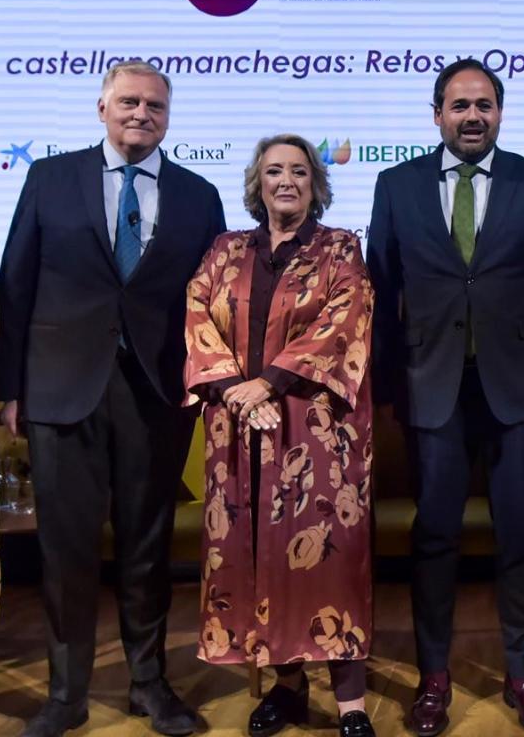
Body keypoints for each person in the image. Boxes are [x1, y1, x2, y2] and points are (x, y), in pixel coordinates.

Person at [0, 61, 227, 737]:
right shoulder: (49, 178)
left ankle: (149, 685)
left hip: (157, 392)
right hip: (60, 389)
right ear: (101, 107)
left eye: (155, 106)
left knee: (148, 544)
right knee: (66, 548)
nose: (141, 114)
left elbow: (211, 302)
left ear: (167, 117)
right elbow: (16, 285)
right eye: (128, 101)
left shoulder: (198, 195)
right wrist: (10, 387)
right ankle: (65, 693)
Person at [366, 60, 524, 736]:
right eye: (459, 106)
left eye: (484, 105)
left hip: (517, 391)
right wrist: (386, 386)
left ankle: (523, 674)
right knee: (436, 539)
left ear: (500, 113)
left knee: (520, 537)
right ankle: (434, 676)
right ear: (436, 115)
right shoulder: (395, 185)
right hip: (432, 391)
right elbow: (380, 295)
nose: (472, 116)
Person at [184, 134, 378, 737]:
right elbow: (196, 315)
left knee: (327, 558)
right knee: (258, 558)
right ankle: (288, 690)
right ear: (257, 183)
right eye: (274, 171)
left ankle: (350, 705)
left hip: (317, 430)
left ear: (316, 184)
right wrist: (234, 391)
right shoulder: (224, 250)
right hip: (239, 428)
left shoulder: (339, 247)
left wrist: (266, 384)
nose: (286, 181)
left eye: (299, 171)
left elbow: (344, 322)